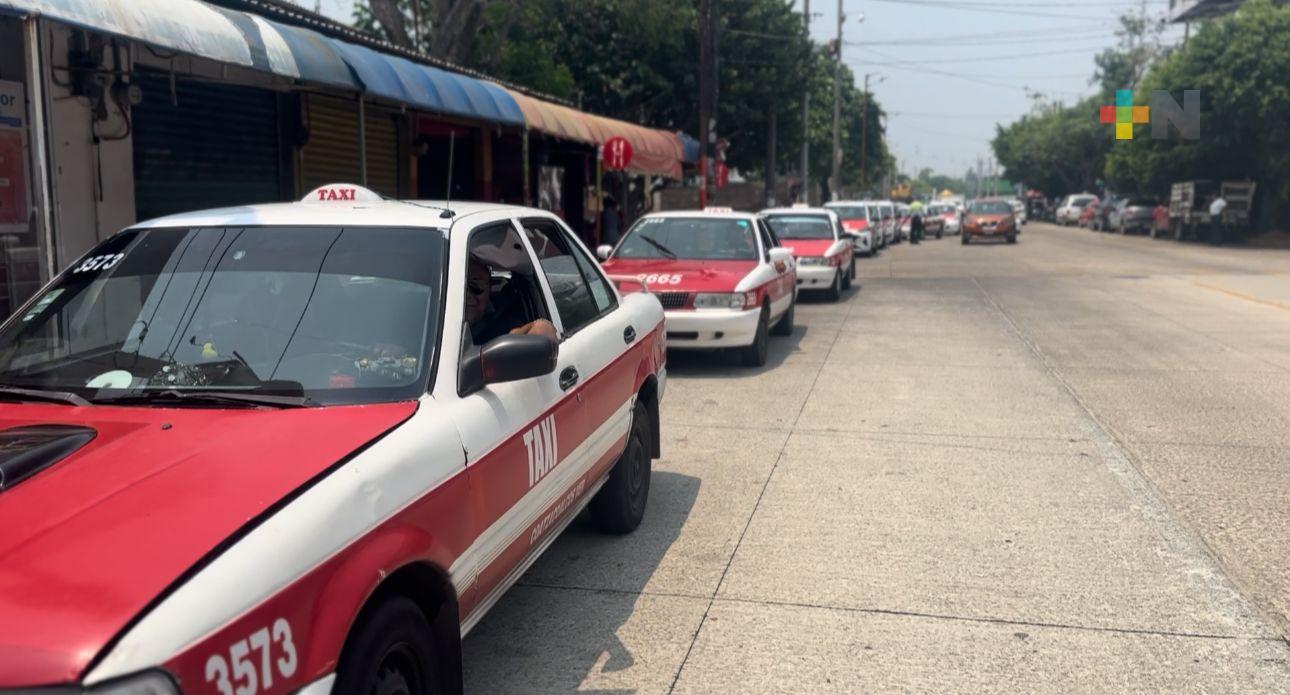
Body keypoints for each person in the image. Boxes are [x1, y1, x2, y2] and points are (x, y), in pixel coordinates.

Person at [465, 256, 558, 347]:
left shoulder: (501, 324)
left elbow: (542, 329)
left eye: (476, 285)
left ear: (489, 289)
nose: (467, 294)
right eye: (460, 286)